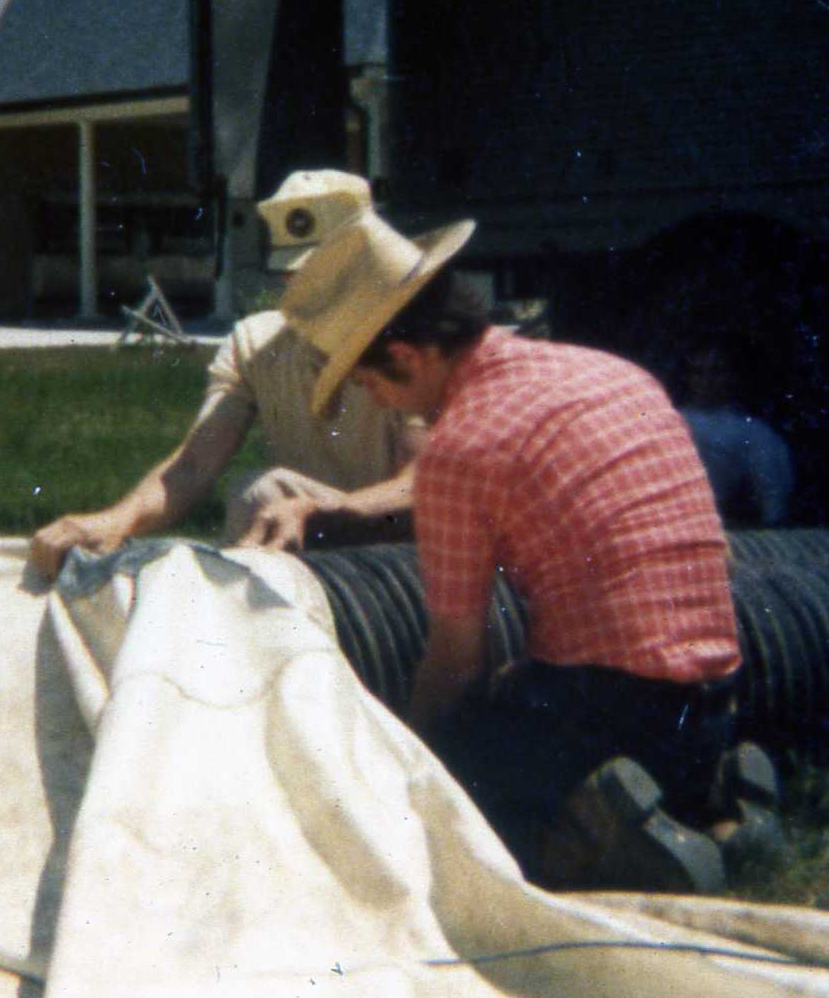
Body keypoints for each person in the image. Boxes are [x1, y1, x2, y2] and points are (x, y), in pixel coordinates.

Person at [288, 206, 778, 893]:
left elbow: (456, 657)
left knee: (458, 784)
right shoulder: (615, 374)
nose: (385, 406)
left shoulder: (461, 447)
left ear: (405, 356)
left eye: (372, 386)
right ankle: (715, 806)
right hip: (717, 694)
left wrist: (410, 759)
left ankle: (602, 840)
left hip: (612, 708)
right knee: (535, 690)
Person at [29, 170, 423, 578]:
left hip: (399, 553)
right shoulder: (256, 343)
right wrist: (117, 520)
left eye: (325, 273)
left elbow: (421, 484)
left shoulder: (409, 346)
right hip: (303, 538)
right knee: (256, 497)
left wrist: (320, 510)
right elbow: (194, 465)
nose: (305, 287)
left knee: (265, 492)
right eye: (296, 274)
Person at [676, 338, 794, 528]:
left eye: (716, 371)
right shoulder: (670, 422)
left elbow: (773, 503)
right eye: (698, 372)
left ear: (731, 376)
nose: (706, 380)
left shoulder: (755, 432)